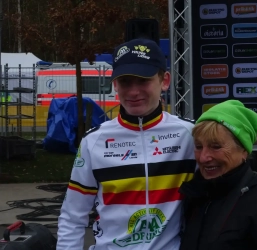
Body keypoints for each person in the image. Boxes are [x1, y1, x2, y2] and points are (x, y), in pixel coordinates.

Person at [56, 38, 196, 250]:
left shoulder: (190, 134)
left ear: (164, 81)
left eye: (143, 81)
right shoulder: (93, 142)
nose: (133, 91)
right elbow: (72, 217)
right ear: (114, 84)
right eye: (125, 82)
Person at [179, 100, 257, 250]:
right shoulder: (195, 196)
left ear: (243, 150)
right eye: (198, 147)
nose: (204, 157)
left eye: (216, 147)